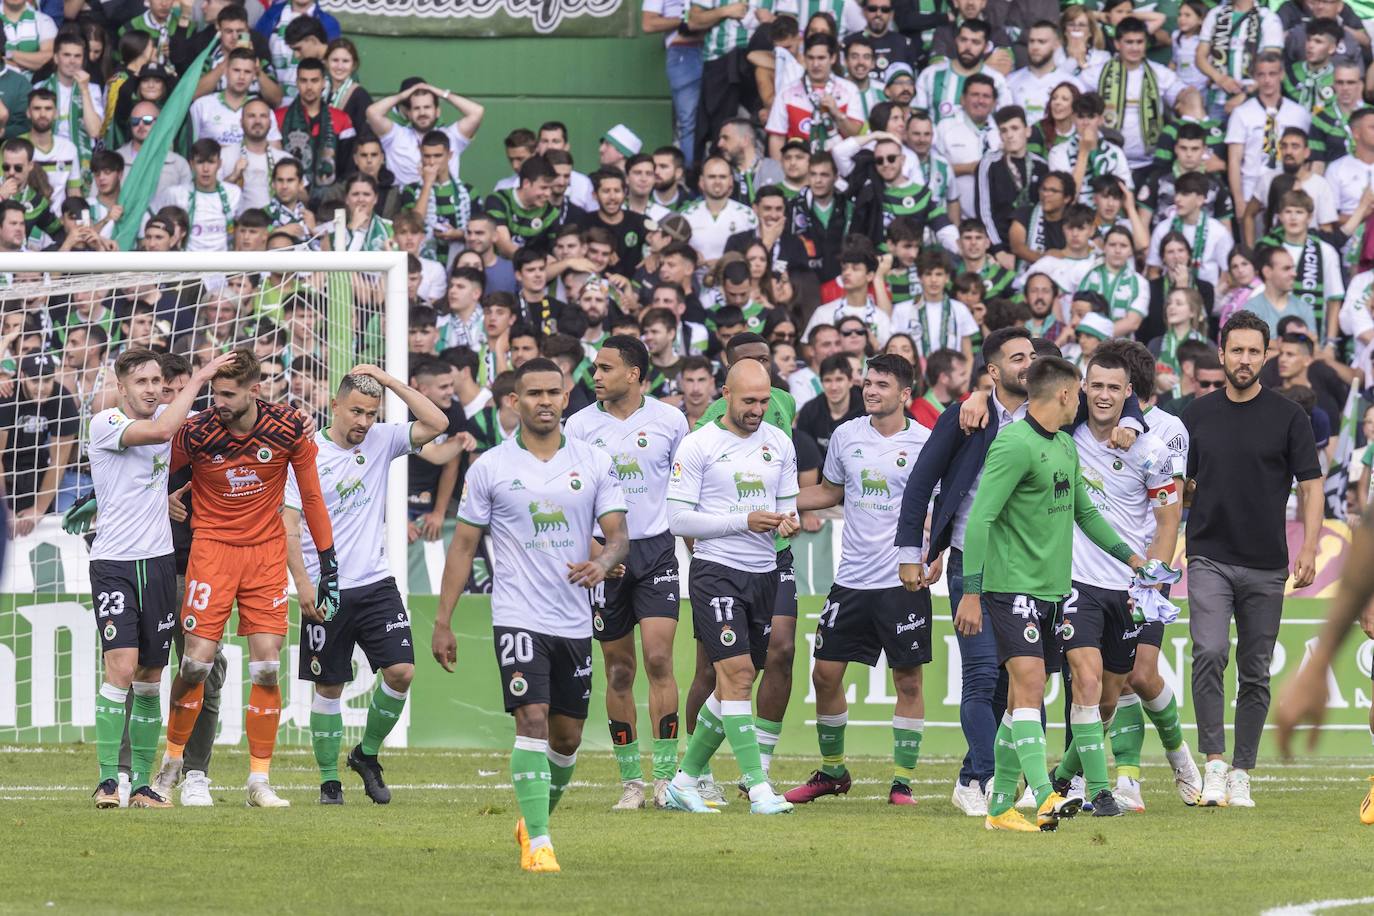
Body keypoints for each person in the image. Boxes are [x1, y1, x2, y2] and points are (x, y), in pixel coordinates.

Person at [434, 358, 630, 874]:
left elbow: (617, 536)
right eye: (533, 393)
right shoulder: (491, 468)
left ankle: (531, 820)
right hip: (517, 614)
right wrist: (443, 620)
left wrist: (603, 562)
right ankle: (541, 842)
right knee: (533, 720)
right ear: (514, 402)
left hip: (574, 620)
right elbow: (464, 547)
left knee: (566, 740)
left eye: (553, 392)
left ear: (567, 398)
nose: (544, 401)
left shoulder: (594, 462)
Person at [957, 355, 1148, 832]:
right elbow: (980, 518)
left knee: (1021, 697)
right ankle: (1044, 793)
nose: (1084, 398)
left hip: (1052, 591)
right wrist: (972, 592)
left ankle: (1000, 804)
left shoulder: (1065, 445)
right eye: (1080, 391)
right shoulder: (1013, 444)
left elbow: (1083, 513)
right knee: (1031, 685)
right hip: (1008, 587)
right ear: (1065, 394)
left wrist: (1133, 558)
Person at [148, 349, 338, 809]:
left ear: (256, 390)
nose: (220, 401)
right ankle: (171, 765)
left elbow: (311, 496)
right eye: (216, 391)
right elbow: (149, 470)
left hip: (266, 555)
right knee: (196, 663)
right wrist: (164, 498)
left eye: (229, 393)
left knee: (268, 666)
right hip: (211, 551)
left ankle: (259, 781)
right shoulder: (197, 431)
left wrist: (327, 561)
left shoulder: (289, 427)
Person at [282, 366, 446, 805]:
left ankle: (366, 754)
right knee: (329, 687)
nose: (363, 422)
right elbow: (290, 526)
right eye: (356, 411)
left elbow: (438, 424)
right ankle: (327, 780)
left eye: (371, 414)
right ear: (334, 405)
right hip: (327, 589)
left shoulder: (381, 440)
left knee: (402, 671)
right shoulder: (307, 454)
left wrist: (391, 383)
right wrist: (302, 584)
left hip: (375, 583)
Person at [1184, 310, 1322, 808]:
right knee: (1209, 651)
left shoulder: (1290, 416)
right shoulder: (1195, 414)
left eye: (1253, 351)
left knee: (1255, 670)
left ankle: (1243, 770)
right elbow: (1176, 483)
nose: (1244, 360)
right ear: (1221, 355)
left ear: (1268, 356)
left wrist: (1309, 546)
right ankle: (1215, 764)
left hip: (1268, 562)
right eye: (1235, 350)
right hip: (1208, 556)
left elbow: (1311, 485)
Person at [783, 354, 933, 806]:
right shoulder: (847, 435)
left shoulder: (926, 442)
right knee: (824, 675)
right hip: (850, 580)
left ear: (905, 394)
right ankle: (833, 772)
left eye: (881, 385)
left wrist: (938, 552)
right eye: (867, 383)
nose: (870, 391)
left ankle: (902, 781)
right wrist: (780, 501)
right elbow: (830, 492)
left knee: (908, 681)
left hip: (902, 579)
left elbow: (937, 510)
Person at [86, 350, 231, 808]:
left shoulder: (169, 430)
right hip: (115, 564)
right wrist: (204, 375)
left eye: (157, 381)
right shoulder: (107, 423)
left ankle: (144, 786)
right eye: (143, 381)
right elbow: (164, 429)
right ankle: (110, 779)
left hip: (160, 565)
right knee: (122, 668)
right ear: (122, 387)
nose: (151, 388)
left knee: (151, 675)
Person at [1048, 350, 1184, 818]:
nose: (1103, 395)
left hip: (1128, 587)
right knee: (1083, 680)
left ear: (1129, 394)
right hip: (1074, 583)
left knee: (1110, 697)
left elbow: (1169, 524)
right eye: (1096, 385)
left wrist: (1152, 581)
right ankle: (1101, 790)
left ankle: (1064, 776)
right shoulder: (1063, 438)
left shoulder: (1153, 452)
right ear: (1083, 388)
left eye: (1114, 388)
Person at [663, 357, 800, 815]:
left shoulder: (779, 443)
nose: (757, 409)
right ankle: (758, 788)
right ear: (726, 394)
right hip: (715, 570)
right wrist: (743, 521)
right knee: (738, 676)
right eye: (748, 401)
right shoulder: (698, 444)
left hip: (764, 574)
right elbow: (678, 517)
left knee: (732, 687)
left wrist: (787, 524)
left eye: (764, 401)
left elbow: (787, 508)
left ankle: (683, 781)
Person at [565, 336, 689, 811]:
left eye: (605, 367)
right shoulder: (577, 426)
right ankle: (630, 782)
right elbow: (571, 494)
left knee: (659, 660)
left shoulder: (670, 421)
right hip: (604, 557)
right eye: (594, 368)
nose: (595, 376)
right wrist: (597, 550)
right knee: (619, 671)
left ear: (634, 373)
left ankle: (663, 778)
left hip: (656, 550)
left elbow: (684, 486)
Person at [911, 348, 970, 428]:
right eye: (962, 374)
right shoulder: (918, 412)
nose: (966, 379)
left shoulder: (969, 400)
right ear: (944, 378)